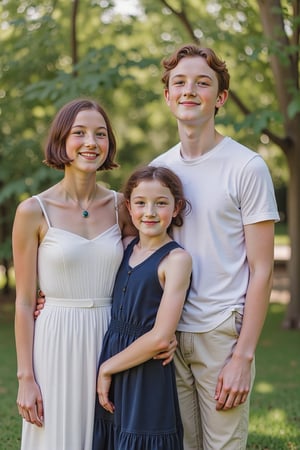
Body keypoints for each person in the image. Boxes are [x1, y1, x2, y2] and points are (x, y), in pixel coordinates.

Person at [151, 44, 280, 450]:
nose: (190, 90)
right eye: (180, 83)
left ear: (219, 98)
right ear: (168, 95)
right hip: (168, 338)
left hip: (221, 334)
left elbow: (262, 270)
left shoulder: (246, 167)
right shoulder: (160, 170)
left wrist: (242, 357)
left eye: (202, 83)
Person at [13, 98, 137, 450]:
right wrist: (26, 378)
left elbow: (143, 271)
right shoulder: (33, 211)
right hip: (55, 339)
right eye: (79, 133)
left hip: (111, 336)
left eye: (100, 134)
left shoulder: (122, 206)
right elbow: (23, 302)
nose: (91, 143)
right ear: (61, 141)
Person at [92, 165, 192, 450]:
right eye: (140, 203)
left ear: (176, 208)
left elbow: (161, 336)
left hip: (146, 369)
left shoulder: (176, 260)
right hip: (113, 353)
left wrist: (106, 369)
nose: (149, 212)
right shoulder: (123, 246)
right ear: (128, 206)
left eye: (161, 203)